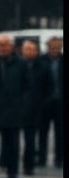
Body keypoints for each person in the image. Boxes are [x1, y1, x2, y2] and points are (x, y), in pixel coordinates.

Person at [0, 34, 31, 178]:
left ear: (12, 47)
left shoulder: (21, 64)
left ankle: (12, 172)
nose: (2, 48)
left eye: (5, 45)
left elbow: (27, 86)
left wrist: (21, 103)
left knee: (12, 144)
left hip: (13, 109)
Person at [20, 39, 53, 177]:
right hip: (16, 106)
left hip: (35, 107)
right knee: (10, 138)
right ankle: (7, 162)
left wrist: (43, 102)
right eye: (26, 49)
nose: (29, 52)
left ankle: (29, 165)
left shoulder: (44, 67)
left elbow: (49, 87)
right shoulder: (19, 65)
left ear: (37, 51)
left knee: (30, 139)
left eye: (32, 49)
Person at [37, 37, 63, 169]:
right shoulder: (41, 61)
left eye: (58, 47)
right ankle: (41, 157)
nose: (55, 50)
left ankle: (60, 159)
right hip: (45, 102)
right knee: (42, 131)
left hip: (60, 102)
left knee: (61, 132)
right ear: (48, 47)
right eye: (53, 47)